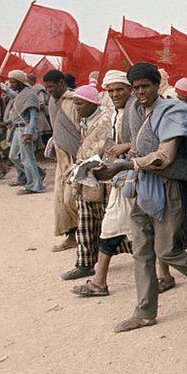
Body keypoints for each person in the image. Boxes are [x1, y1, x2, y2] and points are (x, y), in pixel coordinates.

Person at [102, 63, 187, 333]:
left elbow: (164, 157)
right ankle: (144, 311)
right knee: (141, 252)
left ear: (156, 86)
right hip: (142, 187)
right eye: (135, 88)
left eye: (145, 86)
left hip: (167, 186)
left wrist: (126, 165)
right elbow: (137, 147)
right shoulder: (136, 111)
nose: (140, 92)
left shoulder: (171, 111)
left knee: (168, 252)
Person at [70, 70, 137, 297]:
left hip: (136, 177)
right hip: (120, 179)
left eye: (120, 89)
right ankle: (99, 281)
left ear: (129, 89)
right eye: (111, 91)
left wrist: (127, 146)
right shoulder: (117, 113)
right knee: (117, 228)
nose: (116, 94)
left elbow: (147, 139)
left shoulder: (135, 111)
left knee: (139, 230)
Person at [59, 85, 117, 281]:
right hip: (86, 179)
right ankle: (84, 263)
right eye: (75, 103)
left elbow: (103, 149)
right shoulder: (87, 121)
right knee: (86, 222)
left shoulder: (105, 120)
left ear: (93, 103)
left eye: (80, 103)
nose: (77, 108)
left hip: (100, 178)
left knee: (106, 223)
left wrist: (83, 165)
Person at [44, 70, 81, 252]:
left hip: (77, 157)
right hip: (61, 157)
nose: (49, 90)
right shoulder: (51, 102)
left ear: (61, 83)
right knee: (61, 200)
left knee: (73, 198)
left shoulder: (75, 101)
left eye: (51, 86)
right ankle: (72, 236)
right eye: (47, 87)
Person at [5, 70, 45, 194]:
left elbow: (34, 116)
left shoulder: (30, 95)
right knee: (13, 156)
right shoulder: (20, 93)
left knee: (27, 158)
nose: (10, 85)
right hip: (17, 129)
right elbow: (10, 93)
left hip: (25, 129)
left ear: (20, 82)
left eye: (12, 82)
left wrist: (29, 132)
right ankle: (36, 174)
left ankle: (34, 185)